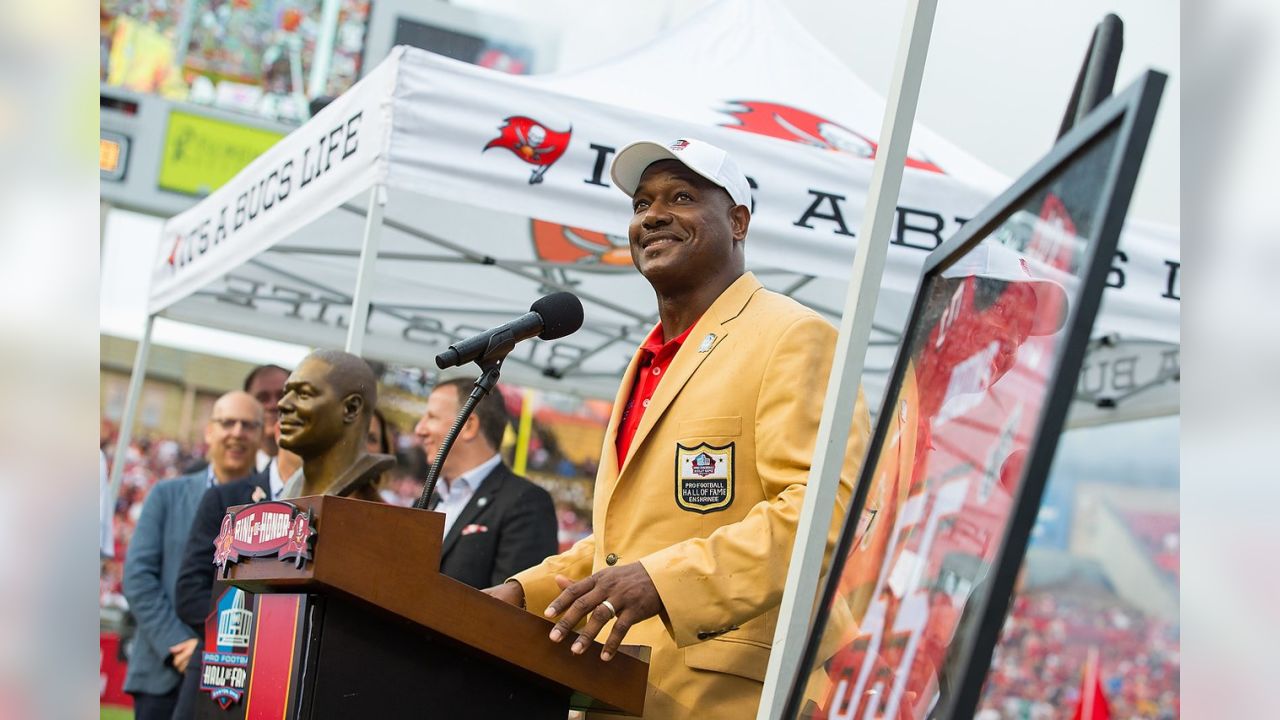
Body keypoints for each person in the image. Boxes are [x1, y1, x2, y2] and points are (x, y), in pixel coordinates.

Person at [485, 137, 871, 718]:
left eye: (682, 196)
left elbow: (822, 512)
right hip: (618, 687)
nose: (654, 215)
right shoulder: (649, 359)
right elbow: (630, 548)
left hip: (729, 698)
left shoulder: (793, 335)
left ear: (738, 221)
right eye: (641, 204)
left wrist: (664, 581)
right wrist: (524, 591)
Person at [122, 391, 263, 720]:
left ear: (261, 434)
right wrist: (180, 645)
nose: (237, 432)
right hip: (162, 670)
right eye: (227, 422)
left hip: (234, 676)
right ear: (209, 431)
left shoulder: (270, 507)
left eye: (248, 425)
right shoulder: (166, 494)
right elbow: (138, 577)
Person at [169, 423, 301, 719]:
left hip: (289, 683)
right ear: (280, 430)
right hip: (218, 675)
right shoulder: (226, 498)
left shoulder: (336, 507)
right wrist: (258, 635)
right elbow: (190, 593)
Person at [413, 378, 559, 589]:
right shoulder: (424, 502)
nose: (420, 429)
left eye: (431, 417)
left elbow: (513, 608)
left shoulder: (526, 502)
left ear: (469, 426)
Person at [277, 349, 393, 500]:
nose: (282, 404)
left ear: (351, 408)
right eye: (286, 393)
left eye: (304, 394)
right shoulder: (292, 488)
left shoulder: (375, 513)